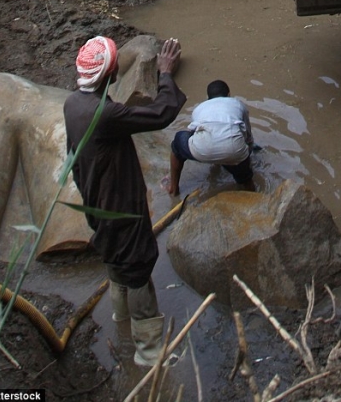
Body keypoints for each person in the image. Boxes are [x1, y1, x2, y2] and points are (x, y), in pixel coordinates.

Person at [64, 35, 184, 367]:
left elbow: (73, 156)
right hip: (120, 205)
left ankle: (121, 322)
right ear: (111, 71)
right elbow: (160, 114)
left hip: (95, 201)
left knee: (116, 263)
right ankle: (149, 353)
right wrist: (166, 73)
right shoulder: (105, 114)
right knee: (136, 267)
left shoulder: (72, 104)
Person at [169, 80, 254, 195]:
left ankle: (173, 188)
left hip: (201, 150)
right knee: (245, 177)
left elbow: (195, 133)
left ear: (207, 98)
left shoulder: (199, 108)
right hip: (234, 151)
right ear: (228, 95)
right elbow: (247, 137)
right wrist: (246, 157)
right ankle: (251, 190)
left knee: (178, 141)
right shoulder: (237, 104)